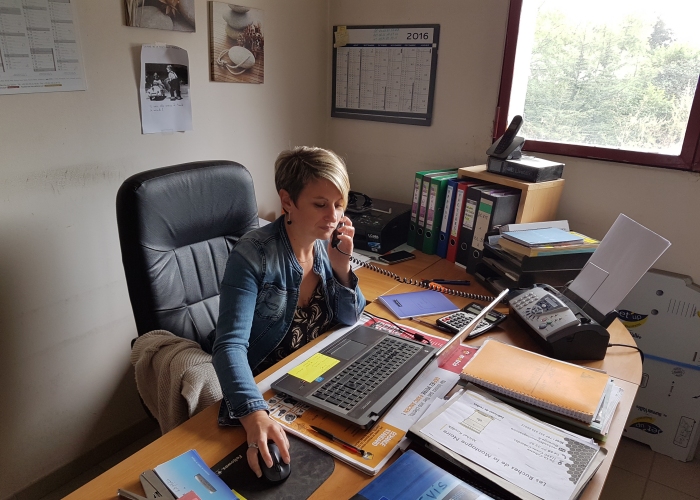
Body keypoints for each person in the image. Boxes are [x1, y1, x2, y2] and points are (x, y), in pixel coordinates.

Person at [212, 146, 366, 478]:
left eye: (339, 204)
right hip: (269, 388)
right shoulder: (252, 255)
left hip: (315, 376)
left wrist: (342, 267)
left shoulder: (326, 246)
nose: (333, 216)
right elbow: (229, 346)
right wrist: (254, 414)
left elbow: (351, 319)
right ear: (287, 201)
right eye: (320, 204)